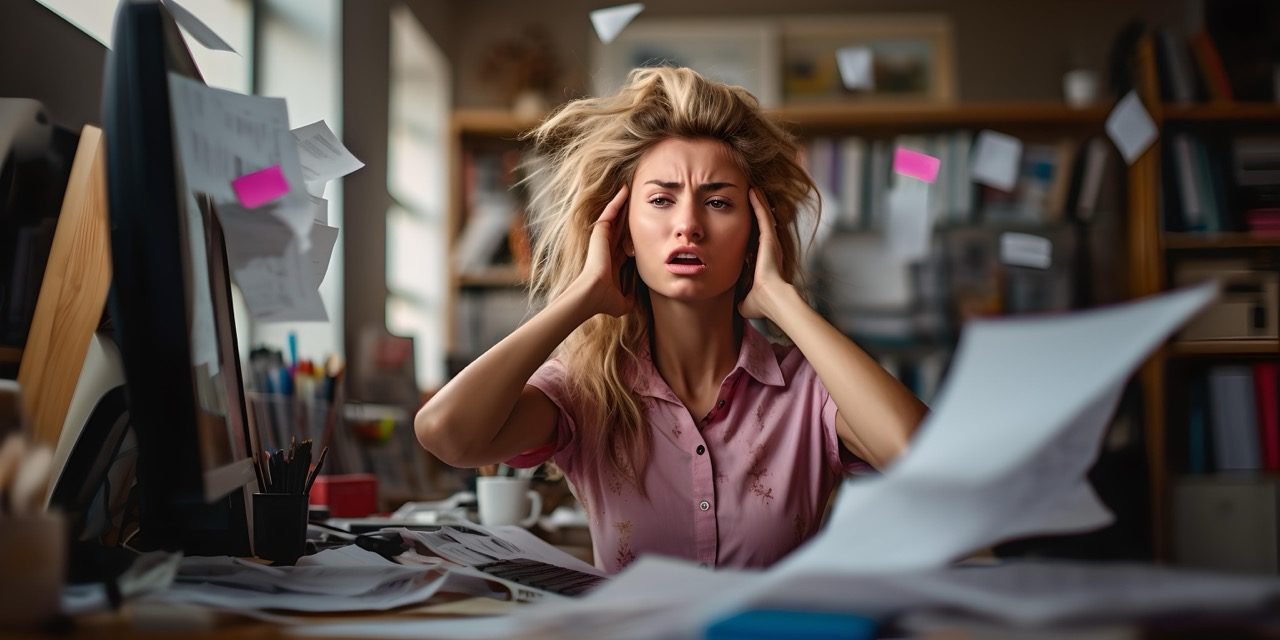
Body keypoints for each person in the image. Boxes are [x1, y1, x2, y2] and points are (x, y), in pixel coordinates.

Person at [416, 66, 927, 574]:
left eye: (719, 202)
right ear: (624, 233)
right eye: (661, 200)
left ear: (755, 234)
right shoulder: (587, 390)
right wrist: (580, 297)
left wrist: (783, 300)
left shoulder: (810, 390)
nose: (688, 225)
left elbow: (924, 457)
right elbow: (447, 435)